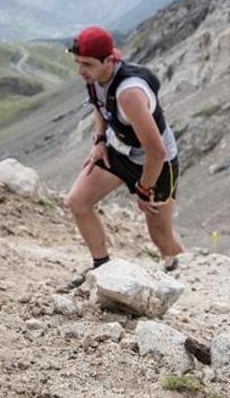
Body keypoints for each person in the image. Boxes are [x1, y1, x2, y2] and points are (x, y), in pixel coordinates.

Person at [64, 25, 183, 288]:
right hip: (119, 150)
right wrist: (100, 139)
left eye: (87, 64)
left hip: (157, 164)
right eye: (77, 63)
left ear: (109, 60)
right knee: (78, 201)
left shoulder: (129, 94)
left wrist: (143, 188)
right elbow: (99, 107)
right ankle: (101, 267)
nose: (80, 71)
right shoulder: (95, 78)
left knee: (160, 236)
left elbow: (156, 150)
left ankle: (177, 267)